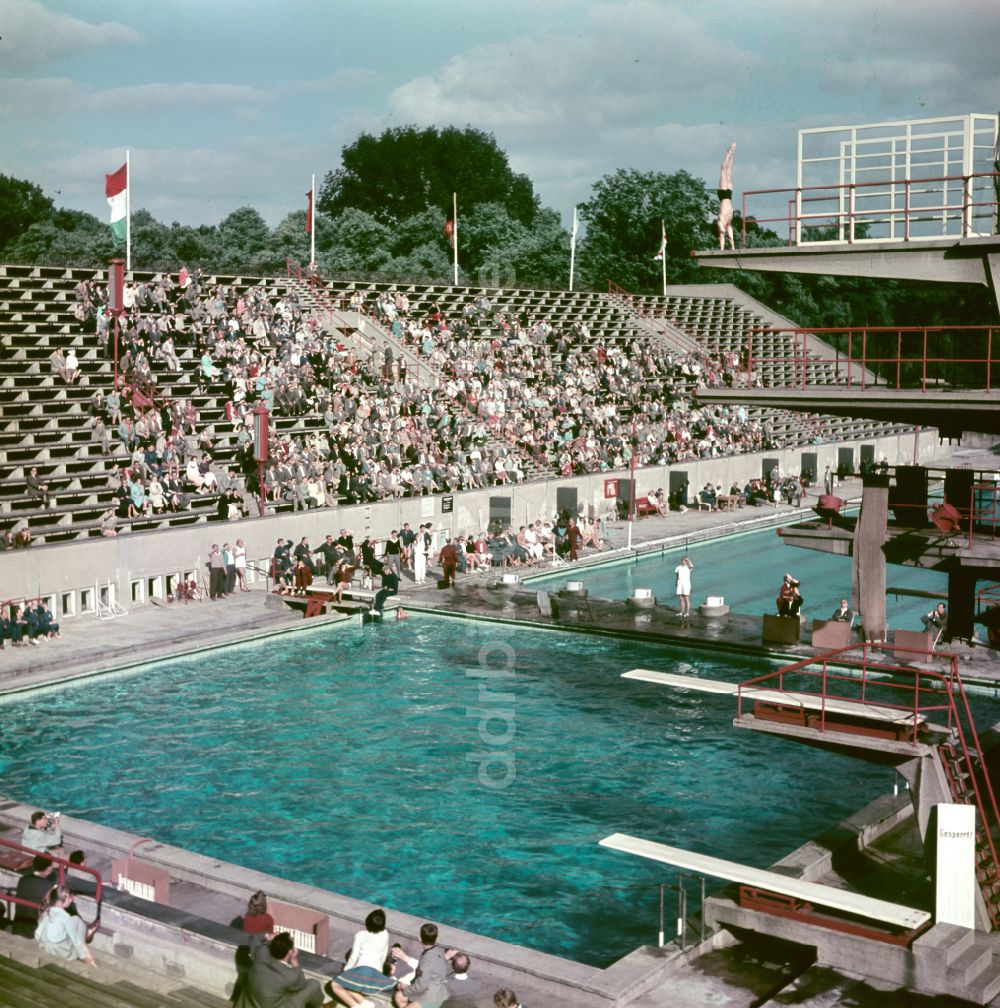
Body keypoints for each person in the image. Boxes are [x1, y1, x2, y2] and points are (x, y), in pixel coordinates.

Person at [235, 931, 324, 1008]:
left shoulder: (260, 954)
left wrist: (268, 937)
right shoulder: (291, 976)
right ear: (290, 952)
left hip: (250, 1003)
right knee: (314, 984)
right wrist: (296, 964)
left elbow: (254, 938)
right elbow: (302, 984)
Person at [325, 908, 394, 1006]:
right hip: (376, 973)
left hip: (362, 971)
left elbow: (354, 956)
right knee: (348, 985)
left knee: (335, 985)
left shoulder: (360, 935)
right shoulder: (385, 934)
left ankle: (356, 1005)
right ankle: (364, 1003)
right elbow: (383, 955)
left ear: (367, 922)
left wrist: (346, 970)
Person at [392, 922, 450, 1008]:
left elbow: (421, 986)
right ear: (437, 938)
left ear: (419, 938)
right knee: (399, 996)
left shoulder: (426, 959)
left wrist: (406, 989)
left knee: (401, 994)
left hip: (429, 998)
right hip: (437, 992)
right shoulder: (439, 952)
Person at [34, 885, 95, 965]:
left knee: (75, 921)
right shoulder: (65, 917)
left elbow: (38, 935)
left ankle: (86, 933)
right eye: (70, 898)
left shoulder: (46, 913)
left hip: (44, 948)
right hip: (61, 953)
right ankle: (87, 934)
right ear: (62, 901)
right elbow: (77, 942)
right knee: (77, 931)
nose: (72, 900)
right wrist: (91, 961)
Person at [13, 855, 58, 937]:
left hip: (18, 927)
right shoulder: (49, 886)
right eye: (52, 865)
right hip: (34, 932)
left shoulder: (23, 879)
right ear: (48, 868)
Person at [716, 141, 736, 251]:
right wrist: (732, 247)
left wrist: (722, 249)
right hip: (728, 196)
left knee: (723, 170)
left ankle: (729, 152)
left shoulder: (720, 220)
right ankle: (732, 154)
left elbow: (722, 234)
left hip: (723, 195)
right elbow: (729, 234)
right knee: (728, 171)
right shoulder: (728, 224)